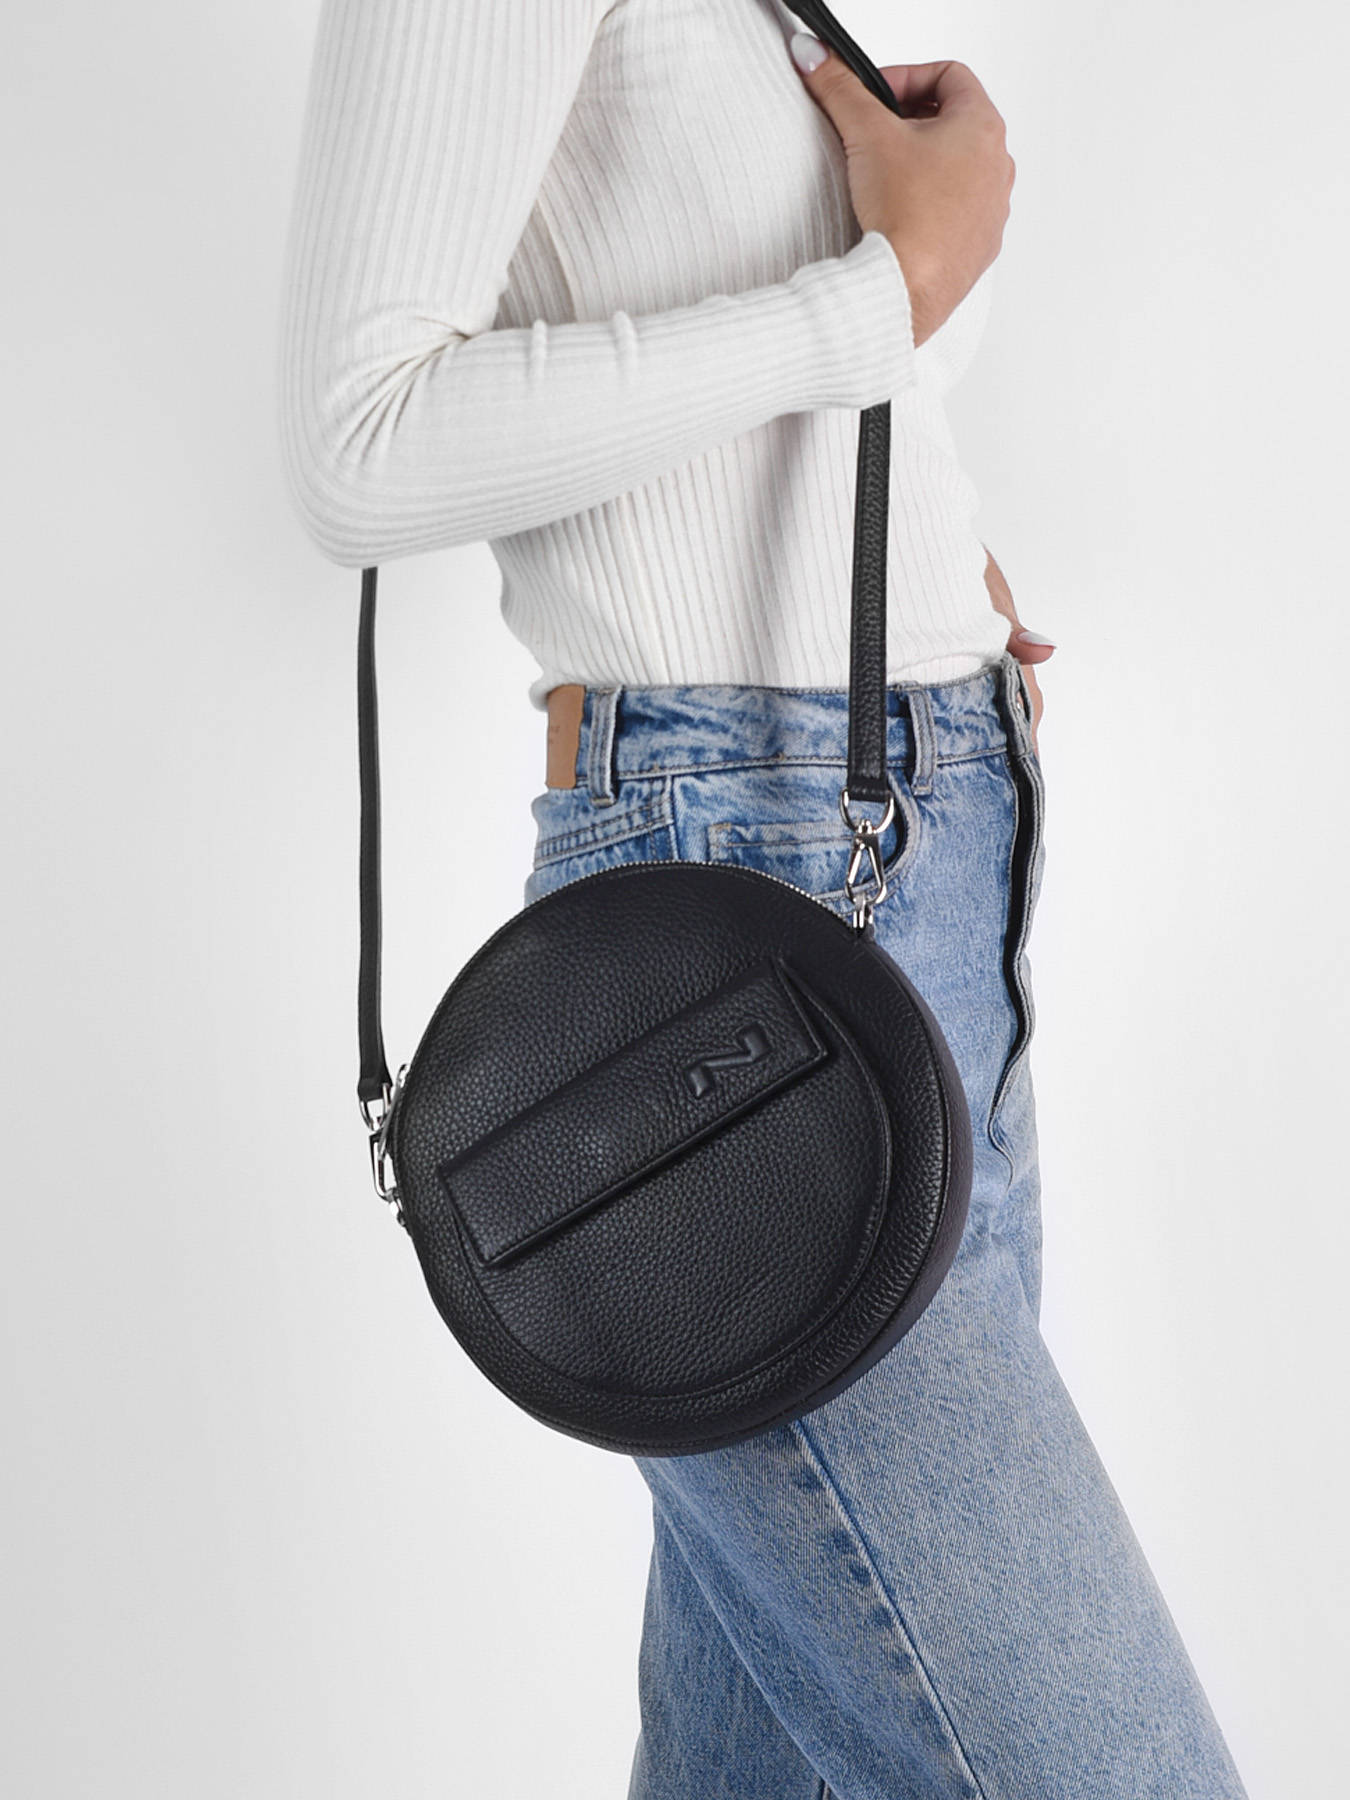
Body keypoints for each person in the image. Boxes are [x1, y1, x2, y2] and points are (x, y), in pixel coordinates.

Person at [277, 3, 1250, 1793]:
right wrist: (880, 292)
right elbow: (363, 443)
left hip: (933, 844)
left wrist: (934, 582)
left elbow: (766, 399)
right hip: (736, 880)